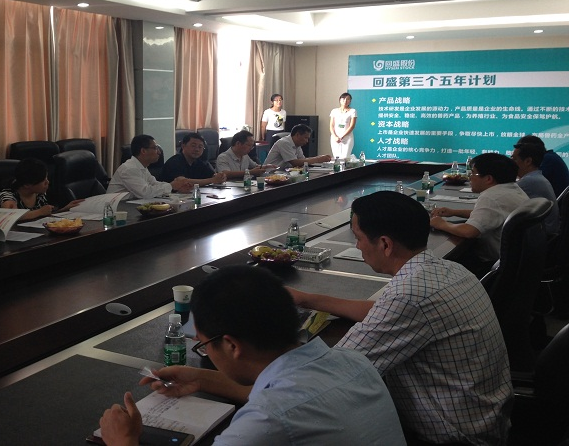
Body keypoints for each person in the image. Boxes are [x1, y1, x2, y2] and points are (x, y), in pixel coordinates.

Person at [288, 191, 512, 445]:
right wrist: (306, 299)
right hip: (485, 419)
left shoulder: (410, 295)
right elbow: (379, 311)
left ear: (385, 244)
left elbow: (334, 373)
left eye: (359, 238)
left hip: (454, 437)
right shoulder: (446, 270)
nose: (358, 246)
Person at [100, 266, 406, 446]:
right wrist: (201, 379)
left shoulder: (267, 420)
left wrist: (123, 441)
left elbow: (279, 405)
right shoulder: (352, 361)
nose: (207, 353)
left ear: (231, 345)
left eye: (204, 345)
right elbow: (285, 390)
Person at [430, 152, 529, 274]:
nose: (469, 177)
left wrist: (441, 224)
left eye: (473, 173)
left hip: (492, 267)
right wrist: (454, 212)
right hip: (517, 262)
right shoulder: (512, 188)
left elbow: (469, 231)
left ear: (488, 179)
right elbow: (491, 215)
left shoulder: (492, 197)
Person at [107, 135, 193, 199]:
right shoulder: (129, 169)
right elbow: (145, 193)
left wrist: (177, 187)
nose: (159, 152)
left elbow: (154, 184)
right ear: (143, 151)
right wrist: (172, 186)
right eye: (155, 148)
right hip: (116, 209)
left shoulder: (142, 166)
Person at [0, 158, 82, 220]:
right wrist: (39, 212)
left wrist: (65, 209)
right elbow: (10, 216)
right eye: (43, 181)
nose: (47, 182)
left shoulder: (39, 193)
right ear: (27, 184)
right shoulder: (7, 195)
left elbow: (45, 213)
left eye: (47, 178)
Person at [511, 142, 560, 235]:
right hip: (546, 232)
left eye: (514, 159)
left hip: (543, 235)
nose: (511, 162)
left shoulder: (529, 181)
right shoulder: (536, 177)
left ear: (528, 161)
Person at [159, 132, 227, 185]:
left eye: (200, 147)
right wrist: (212, 180)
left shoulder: (201, 162)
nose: (197, 149)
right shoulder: (174, 162)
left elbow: (212, 176)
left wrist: (220, 177)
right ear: (183, 146)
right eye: (193, 146)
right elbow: (183, 182)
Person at [263, 124, 331, 169]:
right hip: (271, 173)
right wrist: (318, 159)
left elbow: (302, 161)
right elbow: (295, 163)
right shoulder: (285, 143)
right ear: (298, 135)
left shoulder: (297, 145)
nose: (307, 141)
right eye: (305, 138)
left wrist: (320, 158)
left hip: (283, 172)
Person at [329, 92, 357, 159]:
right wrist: (335, 136)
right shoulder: (334, 111)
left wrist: (342, 136)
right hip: (335, 138)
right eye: (343, 99)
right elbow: (331, 125)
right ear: (340, 100)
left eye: (348, 99)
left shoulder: (353, 111)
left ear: (350, 101)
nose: (345, 101)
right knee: (337, 158)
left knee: (345, 157)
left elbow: (352, 126)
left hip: (347, 137)